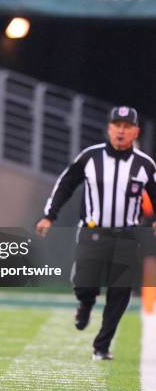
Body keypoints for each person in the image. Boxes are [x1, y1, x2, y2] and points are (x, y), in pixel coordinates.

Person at [36, 106, 156, 360]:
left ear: (136, 131)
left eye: (126, 126)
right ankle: (86, 303)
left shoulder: (145, 165)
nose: (121, 131)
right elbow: (66, 184)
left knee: (120, 292)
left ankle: (102, 345)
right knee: (84, 282)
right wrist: (50, 215)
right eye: (117, 125)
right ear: (109, 128)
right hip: (93, 233)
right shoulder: (90, 157)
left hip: (126, 236)